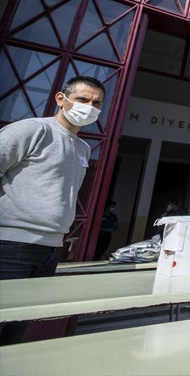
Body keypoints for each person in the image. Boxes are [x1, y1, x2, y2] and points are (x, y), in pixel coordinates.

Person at [0, 75, 106, 344]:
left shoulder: (83, 147)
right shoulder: (33, 130)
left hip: (50, 249)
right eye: (83, 100)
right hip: (11, 245)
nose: (90, 107)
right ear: (61, 99)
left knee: (16, 328)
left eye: (96, 103)